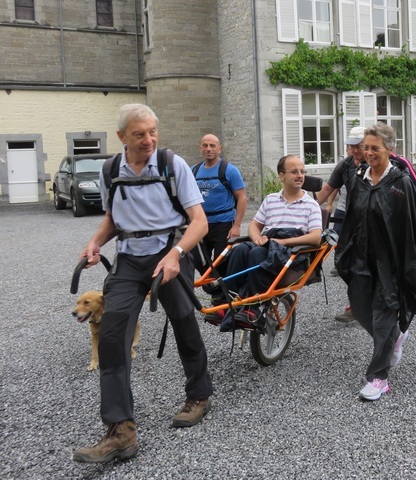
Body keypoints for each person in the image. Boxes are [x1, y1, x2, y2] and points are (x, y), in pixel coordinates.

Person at [73, 104, 213, 464]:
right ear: (122, 137)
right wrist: (95, 242)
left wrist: (176, 253)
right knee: (112, 334)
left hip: (170, 252)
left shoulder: (171, 164)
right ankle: (121, 430)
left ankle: (199, 394)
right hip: (130, 260)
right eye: (140, 134)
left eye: (153, 132)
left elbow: (199, 222)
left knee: (184, 321)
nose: (149, 139)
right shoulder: (110, 170)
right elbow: (112, 218)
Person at [335, 123, 416, 401]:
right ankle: (396, 337)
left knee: (382, 317)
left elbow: (412, 227)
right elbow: (352, 219)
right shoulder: (358, 178)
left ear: (389, 150)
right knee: (359, 308)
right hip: (361, 257)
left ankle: (378, 377)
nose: (368, 153)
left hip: (389, 262)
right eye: (365, 147)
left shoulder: (399, 183)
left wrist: (410, 266)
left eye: (374, 148)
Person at [218, 154, 323, 329]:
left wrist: (284, 242)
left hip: (293, 250)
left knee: (256, 252)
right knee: (239, 250)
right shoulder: (271, 199)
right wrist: (256, 237)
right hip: (269, 242)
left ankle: (253, 308)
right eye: (294, 172)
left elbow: (316, 237)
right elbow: (254, 225)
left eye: (302, 172)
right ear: (281, 176)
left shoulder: (310, 204)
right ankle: (228, 301)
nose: (300, 176)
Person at [316, 126, 367, 323]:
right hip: (347, 217)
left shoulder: (378, 165)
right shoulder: (345, 165)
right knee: (343, 263)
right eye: (352, 145)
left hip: (369, 221)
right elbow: (328, 188)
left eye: (359, 146)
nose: (355, 150)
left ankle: (360, 306)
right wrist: (306, 208)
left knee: (366, 264)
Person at [192, 134, 247, 275]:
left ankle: (220, 294)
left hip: (223, 224)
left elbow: (242, 198)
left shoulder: (229, 170)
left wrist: (237, 226)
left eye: (212, 146)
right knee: (198, 260)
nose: (208, 149)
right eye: (205, 145)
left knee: (221, 262)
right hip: (201, 224)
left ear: (219, 149)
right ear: (200, 149)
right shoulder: (193, 171)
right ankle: (216, 290)